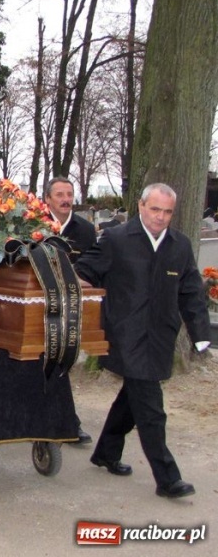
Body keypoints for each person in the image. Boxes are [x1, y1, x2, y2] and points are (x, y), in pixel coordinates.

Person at [74, 182, 210, 500]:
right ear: (141, 206)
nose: (160, 217)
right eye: (155, 209)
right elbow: (85, 272)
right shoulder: (117, 240)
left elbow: (191, 291)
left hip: (161, 335)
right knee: (151, 409)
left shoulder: (179, 245)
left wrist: (201, 335)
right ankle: (167, 478)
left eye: (167, 212)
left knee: (133, 397)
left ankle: (106, 451)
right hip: (125, 336)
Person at [44, 177, 97, 444]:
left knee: (62, 363)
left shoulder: (85, 230)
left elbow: (91, 265)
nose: (66, 199)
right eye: (60, 194)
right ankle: (64, 422)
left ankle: (65, 422)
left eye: (69, 194)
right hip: (39, 309)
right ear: (48, 199)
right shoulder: (34, 224)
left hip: (72, 309)